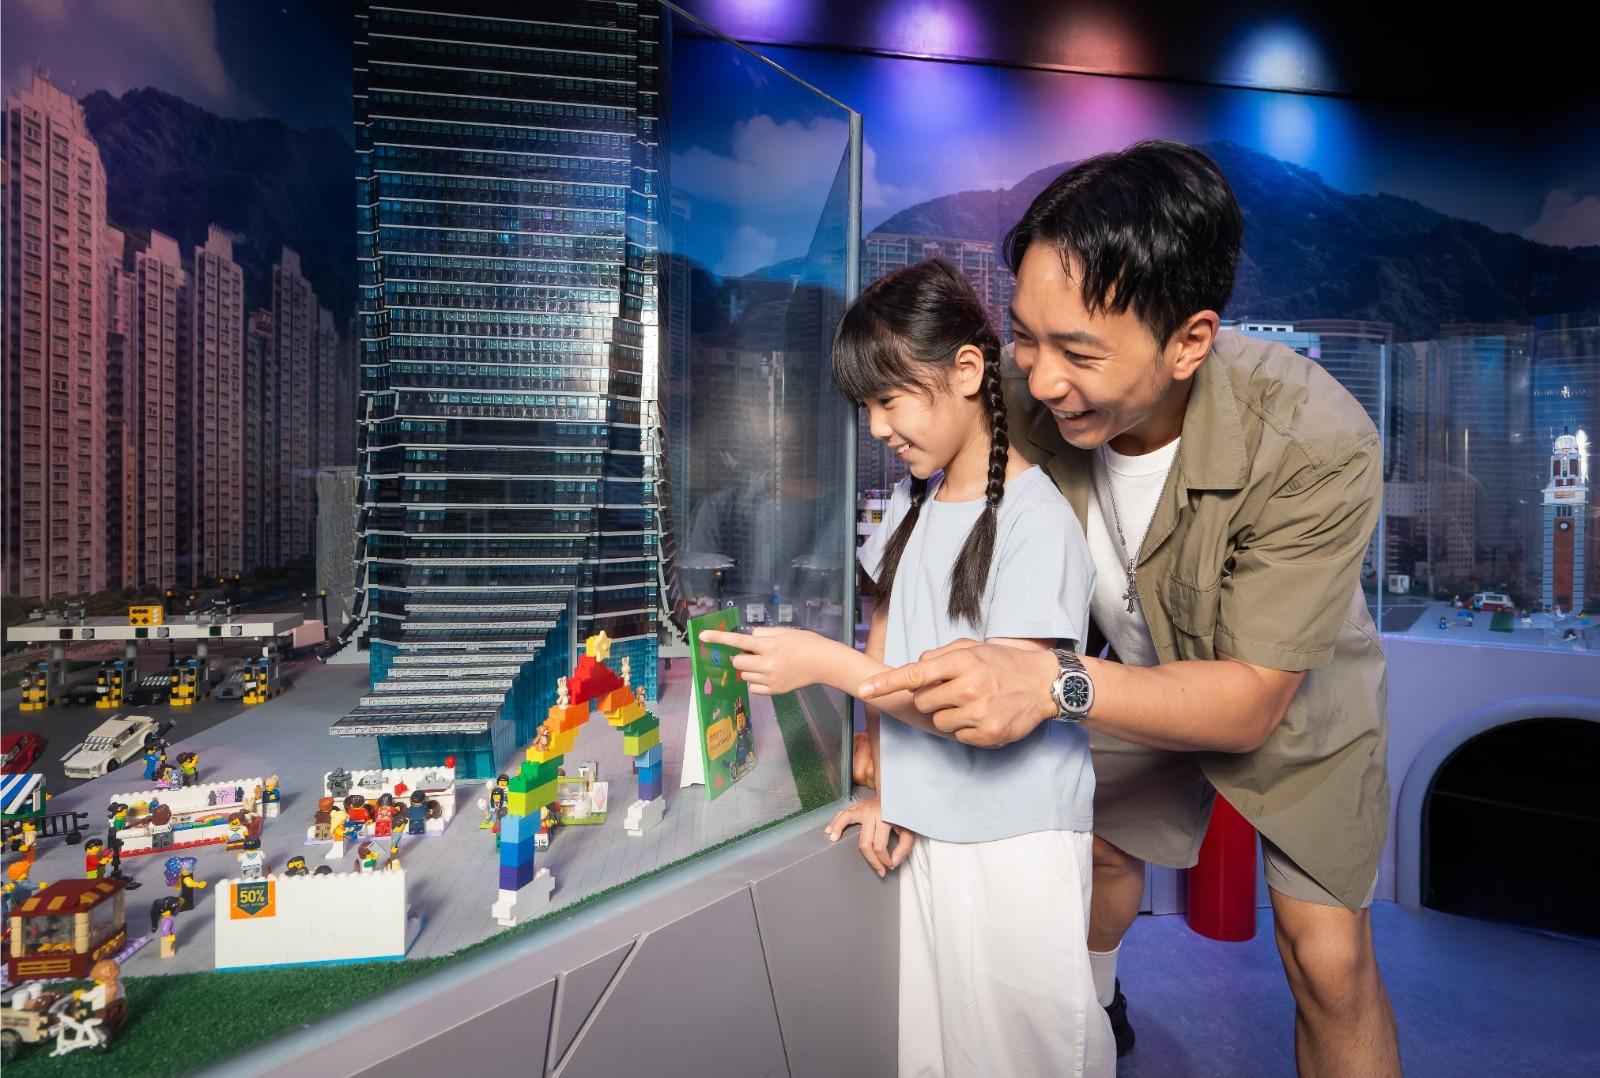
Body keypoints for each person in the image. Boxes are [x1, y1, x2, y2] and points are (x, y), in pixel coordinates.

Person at [856, 141, 1399, 1076]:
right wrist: (883, 734)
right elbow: (914, 542)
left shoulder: (1317, 439)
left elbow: (1249, 701)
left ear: (1189, 341)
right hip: (1115, 679)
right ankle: (1099, 1006)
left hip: (1286, 700)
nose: (1042, 379)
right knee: (1094, 848)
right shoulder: (1014, 402)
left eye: (1079, 352)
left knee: (1329, 962)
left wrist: (1048, 681)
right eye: (1026, 337)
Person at [702, 259, 1112, 1077]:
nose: (878, 427)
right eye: (867, 408)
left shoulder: (1038, 522)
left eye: (890, 399)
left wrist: (824, 663)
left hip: (1016, 840)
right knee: (942, 1057)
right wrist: (892, 786)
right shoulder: (909, 503)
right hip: (935, 824)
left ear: (967, 371)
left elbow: (989, 713)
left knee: (1025, 1057)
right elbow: (885, 639)